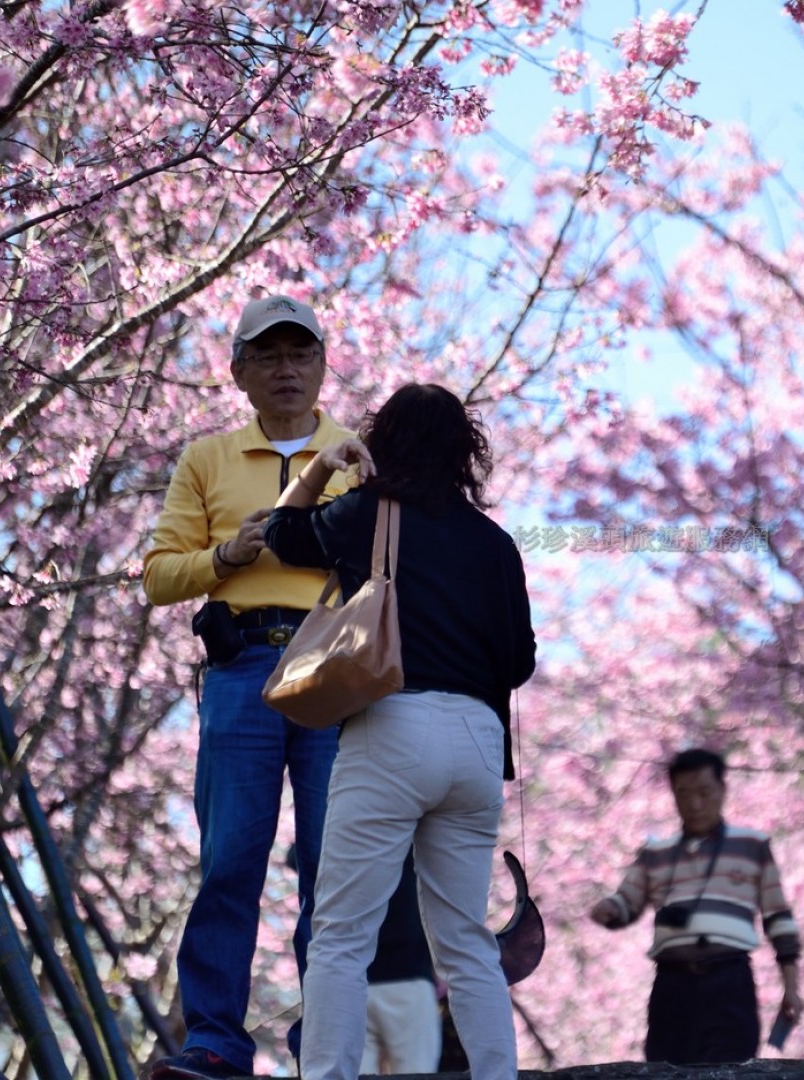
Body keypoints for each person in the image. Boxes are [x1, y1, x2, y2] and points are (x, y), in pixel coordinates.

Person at [262, 382, 536, 1080]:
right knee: (467, 943)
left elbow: (282, 534)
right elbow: (520, 661)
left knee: (342, 936)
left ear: (386, 440)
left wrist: (322, 466)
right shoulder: (497, 544)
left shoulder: (370, 513)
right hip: (477, 742)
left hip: (394, 724)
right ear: (464, 451)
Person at [142, 294, 360, 1079]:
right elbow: (159, 576)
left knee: (333, 866)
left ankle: (327, 1045)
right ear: (238, 372)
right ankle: (215, 1042)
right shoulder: (207, 459)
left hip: (335, 669)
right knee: (231, 856)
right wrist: (224, 560)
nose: (286, 370)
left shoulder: (360, 454)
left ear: (324, 364)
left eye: (300, 353)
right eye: (266, 356)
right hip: (240, 669)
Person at [589, 748, 804, 1065]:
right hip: (671, 982)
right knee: (666, 1066)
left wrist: (791, 989)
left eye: (704, 792)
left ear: (722, 790)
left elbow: (779, 919)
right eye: (684, 794)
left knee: (731, 1066)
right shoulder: (655, 853)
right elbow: (626, 900)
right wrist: (608, 909)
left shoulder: (752, 846)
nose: (695, 804)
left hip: (729, 979)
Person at [363, 853, 442, 1075]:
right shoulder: (416, 842)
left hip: (352, 977)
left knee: (353, 1072)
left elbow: (298, 856)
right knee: (416, 1071)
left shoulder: (346, 831)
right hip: (410, 975)